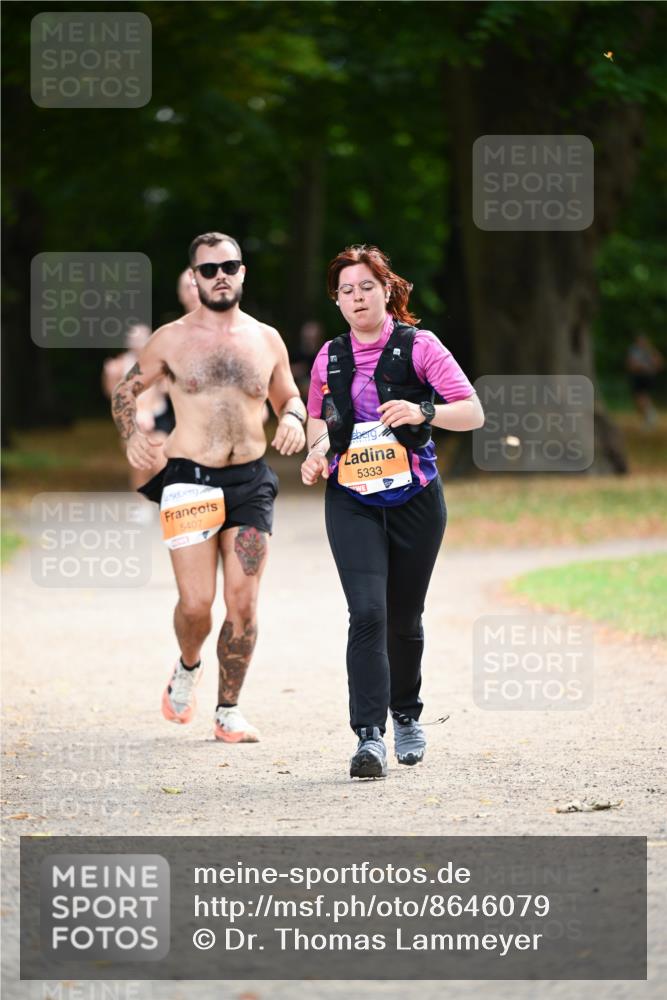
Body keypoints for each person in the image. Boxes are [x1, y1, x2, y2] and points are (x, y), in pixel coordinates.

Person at [111, 232, 306, 742]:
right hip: (189, 482)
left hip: (250, 483)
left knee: (243, 604)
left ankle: (228, 710)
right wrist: (131, 433)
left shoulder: (267, 339)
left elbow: (290, 396)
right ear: (194, 278)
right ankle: (188, 664)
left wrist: (294, 419)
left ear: (243, 272)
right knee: (197, 606)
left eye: (229, 265)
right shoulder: (171, 339)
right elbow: (126, 390)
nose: (220, 275)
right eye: (208, 268)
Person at [301, 245, 484, 779]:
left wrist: (422, 409)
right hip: (351, 501)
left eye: (366, 287)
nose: (357, 297)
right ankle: (369, 736)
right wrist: (317, 453)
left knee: (403, 617)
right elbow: (319, 419)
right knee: (368, 613)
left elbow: (472, 412)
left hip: (415, 501)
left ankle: (406, 713)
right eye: (346, 290)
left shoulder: (420, 346)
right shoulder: (328, 357)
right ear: (336, 301)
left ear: (387, 290)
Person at [102, 323, 174, 492]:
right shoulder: (120, 365)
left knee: (160, 461)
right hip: (133, 418)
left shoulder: (159, 362)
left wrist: (166, 384)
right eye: (134, 340)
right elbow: (112, 395)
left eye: (142, 339)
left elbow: (167, 389)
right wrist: (109, 377)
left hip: (157, 416)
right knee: (140, 464)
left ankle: (162, 502)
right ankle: (141, 504)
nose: (138, 344)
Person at [625, 333, 664, 426]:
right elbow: (631, 365)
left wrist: (646, 367)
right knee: (641, 397)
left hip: (644, 376)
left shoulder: (648, 351)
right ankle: (649, 415)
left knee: (641, 396)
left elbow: (659, 363)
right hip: (640, 376)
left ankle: (650, 416)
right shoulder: (637, 350)